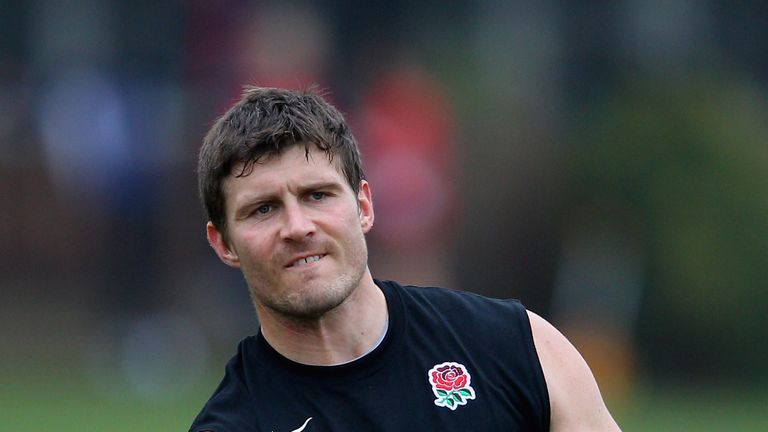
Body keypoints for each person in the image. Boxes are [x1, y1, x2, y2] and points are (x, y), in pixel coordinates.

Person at [190, 86, 621, 431]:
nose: (298, 226)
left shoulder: (517, 347)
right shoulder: (235, 423)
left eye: (317, 195)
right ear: (223, 243)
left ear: (363, 206)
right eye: (263, 209)